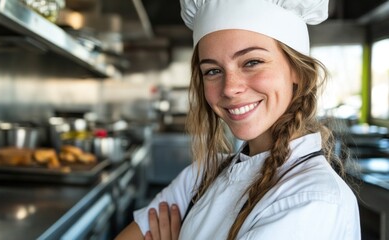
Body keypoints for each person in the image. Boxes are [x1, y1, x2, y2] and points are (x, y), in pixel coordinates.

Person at [115, 0, 361, 239]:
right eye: (212, 70)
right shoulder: (201, 176)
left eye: (252, 62)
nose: (229, 88)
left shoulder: (314, 200)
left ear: (297, 70)